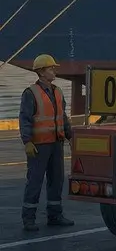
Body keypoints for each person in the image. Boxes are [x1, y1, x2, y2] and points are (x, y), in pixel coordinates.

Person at [18, 54, 75, 232]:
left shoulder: (57, 91)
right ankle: (29, 219)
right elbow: (25, 119)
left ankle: (55, 215)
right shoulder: (30, 93)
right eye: (51, 68)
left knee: (57, 180)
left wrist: (70, 136)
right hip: (39, 145)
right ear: (41, 72)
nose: (54, 71)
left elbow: (63, 117)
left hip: (56, 144)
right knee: (34, 181)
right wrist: (27, 141)